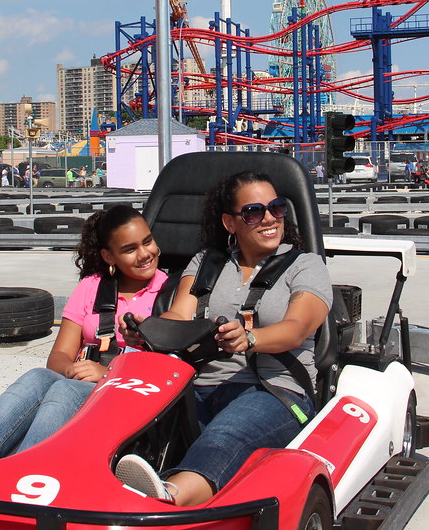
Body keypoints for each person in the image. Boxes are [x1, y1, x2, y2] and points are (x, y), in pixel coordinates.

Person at [115, 171, 331, 506]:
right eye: (254, 212)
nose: (270, 219)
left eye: (277, 208)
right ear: (231, 223)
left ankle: (168, 498)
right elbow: (179, 316)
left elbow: (298, 327)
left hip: (275, 389)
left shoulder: (305, 265)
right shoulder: (207, 263)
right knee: (129, 425)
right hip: (198, 385)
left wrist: (251, 338)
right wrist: (147, 330)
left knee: (223, 437)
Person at [0, 205, 166, 460]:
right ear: (109, 257)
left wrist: (106, 374)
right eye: (130, 249)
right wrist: (73, 371)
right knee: (38, 378)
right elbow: (59, 356)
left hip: (133, 392)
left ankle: (24, 471)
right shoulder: (91, 287)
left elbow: (167, 366)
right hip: (83, 383)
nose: (144, 254)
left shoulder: (170, 291)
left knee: (65, 391)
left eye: (147, 242)